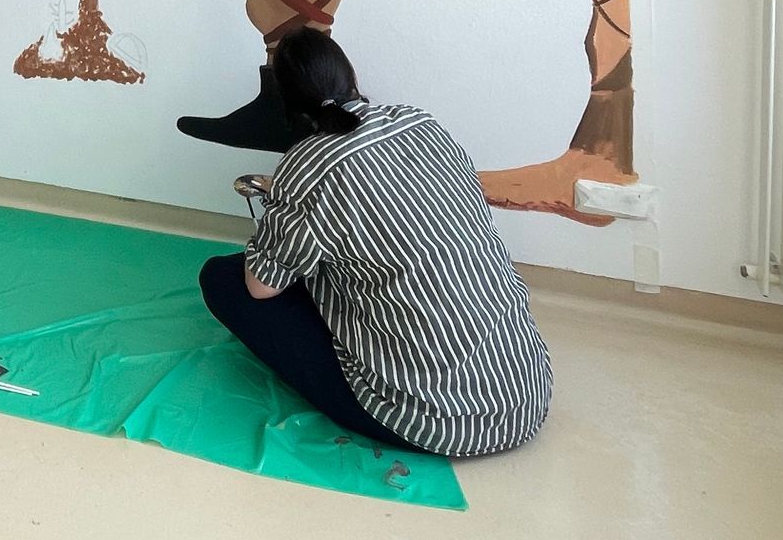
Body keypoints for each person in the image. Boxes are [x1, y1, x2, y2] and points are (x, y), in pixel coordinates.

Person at [189, 29, 553, 458]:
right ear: (351, 77)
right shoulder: (423, 124)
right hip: (524, 390)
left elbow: (260, 287)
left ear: (284, 100)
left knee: (222, 278)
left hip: (437, 419)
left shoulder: (305, 167)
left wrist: (283, 201)